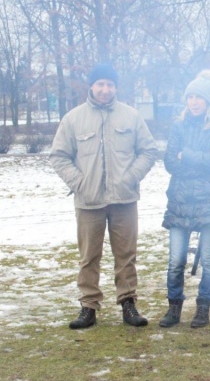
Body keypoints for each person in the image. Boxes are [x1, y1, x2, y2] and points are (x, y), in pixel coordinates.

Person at [50, 63, 157, 329]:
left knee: (126, 255)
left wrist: (130, 177)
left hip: (124, 200)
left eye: (110, 84)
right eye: (100, 84)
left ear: (116, 87)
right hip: (89, 201)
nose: (105, 89)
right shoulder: (73, 119)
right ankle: (89, 306)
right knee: (88, 257)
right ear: (91, 85)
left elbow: (148, 151)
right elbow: (59, 156)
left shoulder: (131, 116)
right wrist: (79, 183)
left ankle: (128, 303)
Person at [159, 70, 210, 328]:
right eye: (190, 97)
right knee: (176, 260)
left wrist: (185, 155)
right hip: (180, 200)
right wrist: (201, 159)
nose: (194, 102)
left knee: (209, 260)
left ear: (208, 100)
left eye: (199, 97)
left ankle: (203, 308)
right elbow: (170, 161)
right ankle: (174, 307)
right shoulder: (178, 126)